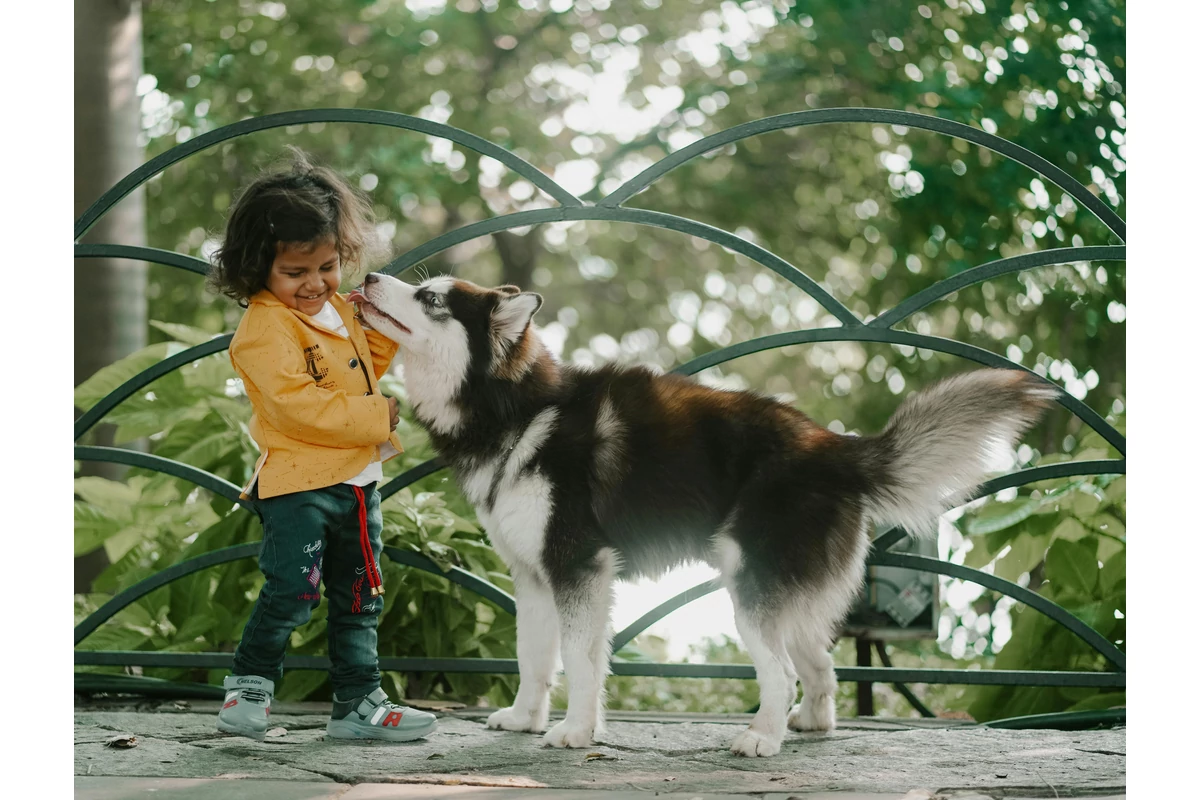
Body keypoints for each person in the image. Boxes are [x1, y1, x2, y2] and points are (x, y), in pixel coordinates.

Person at [206, 148, 436, 742]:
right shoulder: (264, 328)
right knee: (293, 588)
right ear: (258, 268)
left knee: (361, 594)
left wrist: (380, 326)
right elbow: (296, 407)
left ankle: (358, 704)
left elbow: (360, 365)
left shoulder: (336, 307)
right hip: (300, 488)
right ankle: (248, 688)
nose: (316, 284)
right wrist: (377, 416)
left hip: (357, 485)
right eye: (296, 273)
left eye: (328, 266)